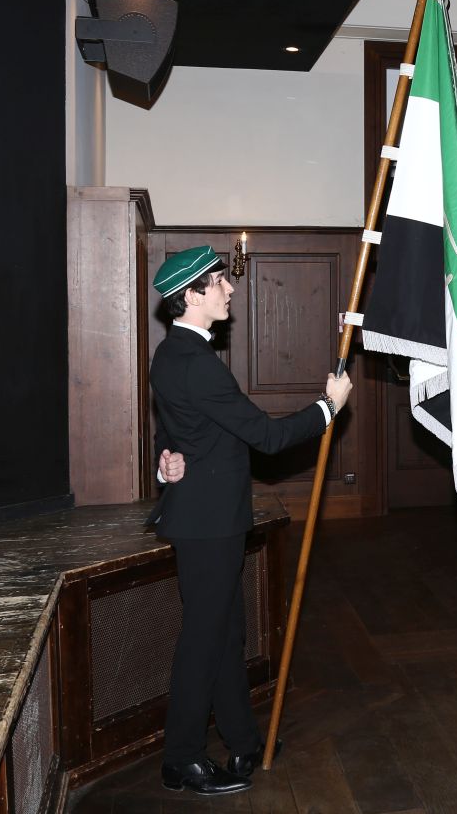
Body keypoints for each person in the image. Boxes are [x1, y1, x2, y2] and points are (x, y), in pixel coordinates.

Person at [149, 245, 353, 796]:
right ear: (191, 296)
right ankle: (181, 759)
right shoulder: (198, 364)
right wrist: (329, 406)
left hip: (206, 515)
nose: (230, 288)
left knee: (224, 633)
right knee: (204, 640)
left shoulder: (170, 355)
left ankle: (242, 740)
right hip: (208, 523)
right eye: (219, 281)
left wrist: (166, 461)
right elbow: (267, 437)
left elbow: (172, 429)